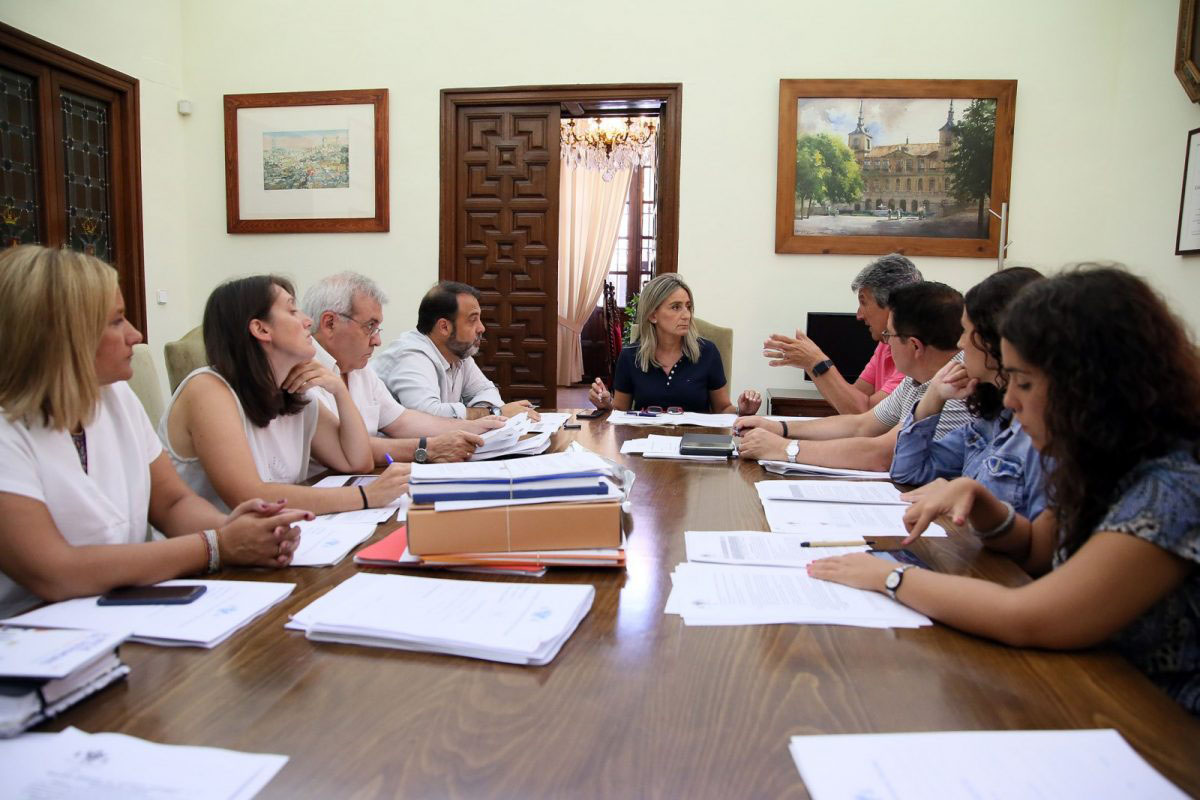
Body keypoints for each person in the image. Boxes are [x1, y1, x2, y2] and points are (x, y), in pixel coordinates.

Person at [809, 267, 1200, 714]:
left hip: (1159, 725)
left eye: (1026, 383)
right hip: (1092, 686)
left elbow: (1032, 615)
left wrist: (889, 577)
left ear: (1093, 388)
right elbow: (1037, 549)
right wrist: (985, 506)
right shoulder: (1097, 463)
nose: (1010, 400)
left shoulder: (1172, 491)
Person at [0, 246, 311, 617]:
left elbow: (171, 504)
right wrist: (217, 545)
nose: (136, 334)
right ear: (59, 336)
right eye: (116, 322)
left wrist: (247, 531)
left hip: (119, 613)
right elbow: (53, 572)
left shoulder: (114, 396)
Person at [160, 275, 410, 516]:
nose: (307, 321)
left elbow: (356, 461)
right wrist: (366, 496)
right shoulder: (208, 390)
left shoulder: (292, 391)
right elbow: (249, 496)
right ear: (260, 328)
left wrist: (339, 391)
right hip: (213, 551)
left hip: (278, 540)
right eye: (292, 311)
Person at [738, 281, 969, 472]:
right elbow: (862, 424)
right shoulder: (917, 378)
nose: (885, 343)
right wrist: (779, 428)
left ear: (915, 346)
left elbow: (882, 455)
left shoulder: (956, 386)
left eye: (889, 335)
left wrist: (784, 448)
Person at [890, 267, 1049, 528]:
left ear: (993, 340)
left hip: (996, 565)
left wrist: (962, 494)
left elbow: (1040, 545)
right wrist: (932, 398)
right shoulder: (990, 417)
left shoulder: (1039, 429)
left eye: (966, 331)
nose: (961, 344)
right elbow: (908, 472)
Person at [301, 272, 503, 466]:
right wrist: (428, 447)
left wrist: (476, 426)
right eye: (370, 326)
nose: (378, 340)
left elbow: (401, 420)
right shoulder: (304, 374)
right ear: (329, 324)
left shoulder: (357, 367)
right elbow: (348, 450)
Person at [762, 254, 922, 414]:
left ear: (892, 305)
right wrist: (810, 364)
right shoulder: (884, 343)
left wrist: (817, 362)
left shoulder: (916, 352)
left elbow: (865, 413)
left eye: (863, 302)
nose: (859, 315)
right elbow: (851, 403)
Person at [586, 273, 761, 414]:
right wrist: (606, 403)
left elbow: (722, 409)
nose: (686, 315)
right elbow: (620, 411)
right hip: (644, 445)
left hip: (695, 447)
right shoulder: (630, 356)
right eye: (676, 307)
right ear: (653, 315)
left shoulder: (707, 352)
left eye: (688, 306)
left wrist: (742, 411)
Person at [372, 281, 539, 421]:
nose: (482, 328)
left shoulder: (459, 353)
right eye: (472, 320)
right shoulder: (410, 355)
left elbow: (487, 391)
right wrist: (494, 413)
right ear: (444, 327)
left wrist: (483, 412)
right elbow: (427, 417)